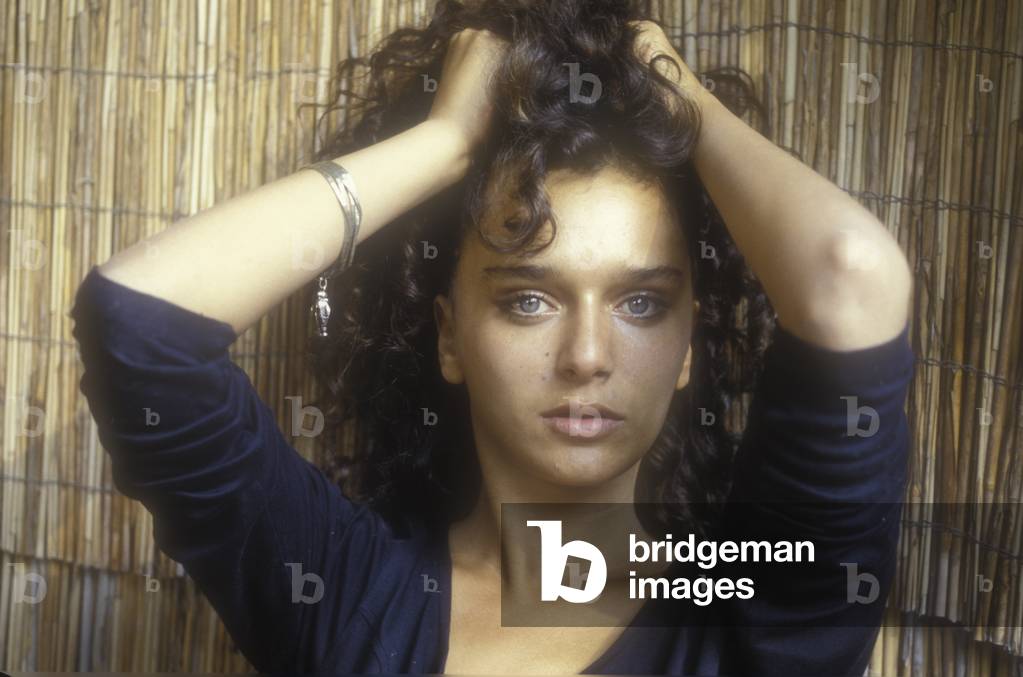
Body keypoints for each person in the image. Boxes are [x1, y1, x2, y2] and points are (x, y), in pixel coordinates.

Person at [70, 1, 914, 674]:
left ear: (690, 341)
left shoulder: (758, 612)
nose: (587, 355)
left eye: (641, 304)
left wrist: (670, 87)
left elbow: (850, 275)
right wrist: (444, 145)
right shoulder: (340, 591)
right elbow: (140, 320)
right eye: (527, 301)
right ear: (448, 335)